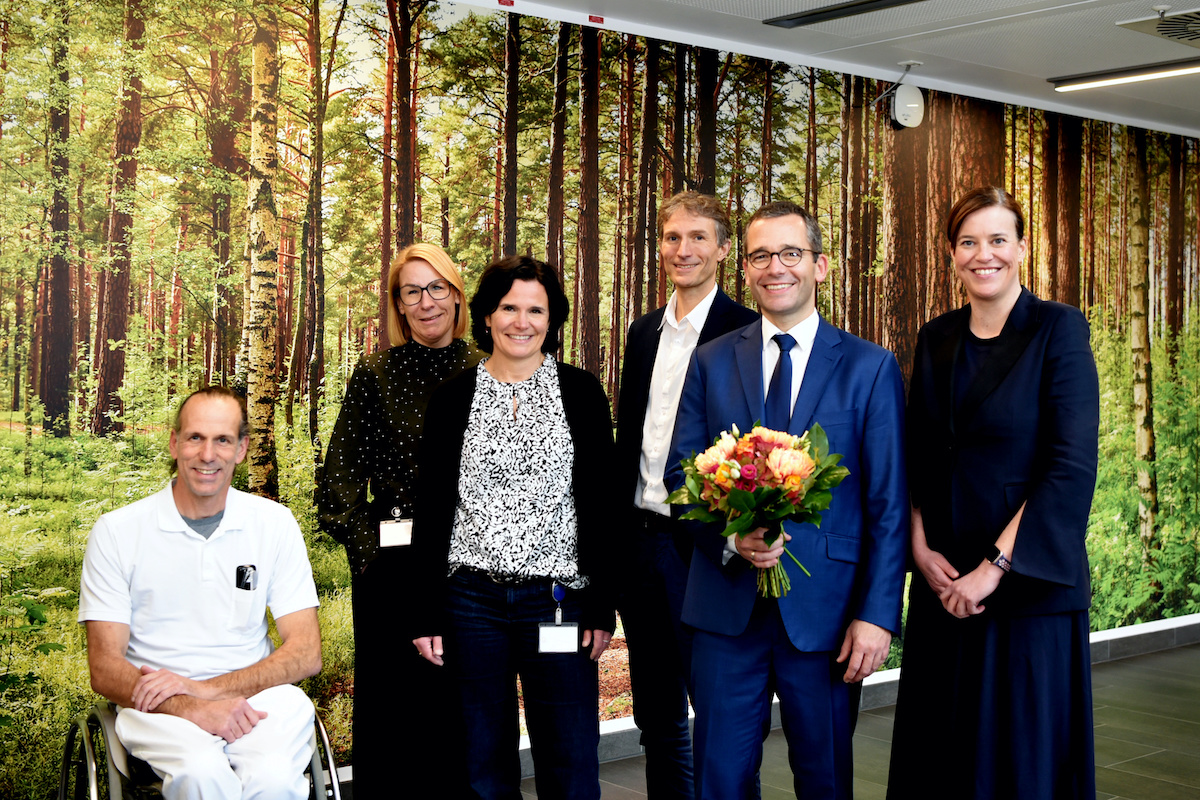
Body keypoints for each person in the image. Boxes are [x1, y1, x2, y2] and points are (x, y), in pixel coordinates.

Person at [667, 200, 908, 799]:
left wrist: (879, 614)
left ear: (820, 265)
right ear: (744, 268)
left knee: (825, 781)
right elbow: (680, 477)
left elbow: (888, 503)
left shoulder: (870, 367)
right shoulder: (711, 361)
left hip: (828, 616)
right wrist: (730, 536)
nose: (776, 267)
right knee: (719, 782)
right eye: (760, 255)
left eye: (790, 253)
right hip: (725, 612)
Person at [886, 187, 1099, 799]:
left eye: (997, 239)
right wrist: (920, 552)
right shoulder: (937, 336)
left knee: (1019, 761)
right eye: (969, 242)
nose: (984, 254)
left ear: (1021, 248)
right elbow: (919, 455)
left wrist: (994, 568)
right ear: (953, 254)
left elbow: (1069, 466)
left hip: (1024, 587)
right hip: (943, 581)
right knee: (942, 756)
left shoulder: (1058, 328)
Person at [411, 255, 617, 799]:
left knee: (570, 758)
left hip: (558, 602)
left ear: (551, 321)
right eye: (508, 308)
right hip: (470, 602)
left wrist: (600, 606)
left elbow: (601, 503)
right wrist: (426, 611)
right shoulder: (453, 399)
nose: (520, 321)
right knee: (482, 761)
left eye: (535, 310)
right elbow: (432, 509)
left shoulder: (581, 393)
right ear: (485, 317)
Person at [79, 386, 322, 800]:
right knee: (202, 772)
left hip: (258, 697)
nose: (208, 454)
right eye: (195, 438)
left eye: (222, 440)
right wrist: (189, 704)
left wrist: (209, 690)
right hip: (159, 704)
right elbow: (104, 668)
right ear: (174, 443)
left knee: (276, 777)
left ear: (242, 449)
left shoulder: (274, 524)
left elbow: (306, 652)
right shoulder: (118, 532)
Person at [316, 242, 482, 798]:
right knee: (390, 710)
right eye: (412, 291)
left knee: (456, 709)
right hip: (388, 571)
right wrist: (369, 554)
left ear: (457, 296)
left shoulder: (487, 369)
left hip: (465, 571)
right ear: (398, 304)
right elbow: (337, 477)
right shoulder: (375, 371)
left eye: (437, 288)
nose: (427, 301)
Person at [616, 190, 759, 798]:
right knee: (658, 715)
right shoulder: (644, 331)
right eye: (673, 237)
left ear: (723, 250)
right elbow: (632, 438)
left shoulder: (747, 332)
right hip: (643, 545)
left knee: (720, 717)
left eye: (699, 237)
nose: (684, 250)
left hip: (704, 549)